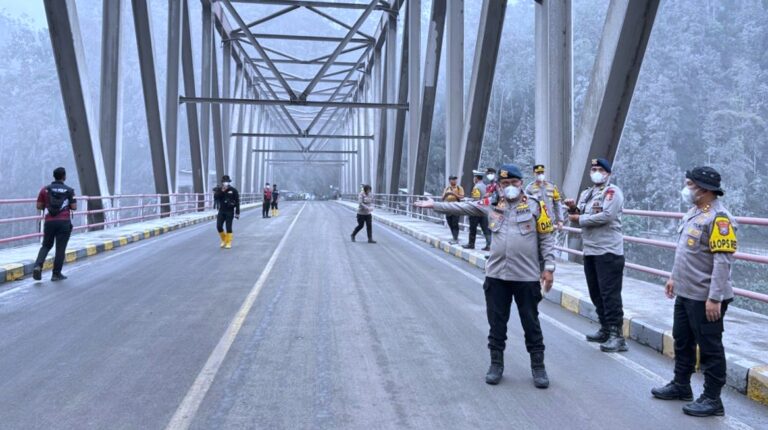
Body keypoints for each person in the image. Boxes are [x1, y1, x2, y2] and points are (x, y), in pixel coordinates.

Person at [415, 164, 556, 388]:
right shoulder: (491, 205)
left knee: (531, 322)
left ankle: (538, 367)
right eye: (505, 184)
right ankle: (496, 364)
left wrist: (549, 267)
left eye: (513, 183)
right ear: (499, 186)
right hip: (497, 276)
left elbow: (547, 237)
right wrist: (435, 205)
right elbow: (464, 207)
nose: (509, 187)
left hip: (527, 277)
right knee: (496, 323)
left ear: (521, 183)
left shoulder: (536, 206)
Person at [651, 167, 736, 418]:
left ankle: (712, 399)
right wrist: (673, 278)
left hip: (705, 297)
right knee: (682, 340)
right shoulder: (695, 212)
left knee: (710, 347)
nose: (686, 189)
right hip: (685, 292)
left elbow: (723, 262)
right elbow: (685, 252)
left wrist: (714, 298)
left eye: (690, 184)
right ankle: (681, 385)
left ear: (705, 189)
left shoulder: (719, 219)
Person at [564, 158, 627, 352]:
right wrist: (573, 208)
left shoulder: (612, 193)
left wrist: (579, 217)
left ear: (608, 173)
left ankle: (617, 336)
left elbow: (606, 216)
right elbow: (579, 214)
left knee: (610, 294)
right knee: (596, 292)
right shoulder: (587, 193)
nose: (596, 172)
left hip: (608, 250)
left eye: (600, 169)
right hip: (590, 250)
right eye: (593, 169)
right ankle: (605, 328)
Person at [32, 167, 77, 281]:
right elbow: (74, 207)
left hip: (49, 222)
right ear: (64, 177)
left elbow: (39, 206)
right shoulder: (69, 190)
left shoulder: (45, 190)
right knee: (60, 248)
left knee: (46, 245)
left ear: (54, 176)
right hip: (64, 222)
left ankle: (38, 266)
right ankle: (56, 274)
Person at [525, 164, 564, 230]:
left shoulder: (552, 186)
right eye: (538, 173)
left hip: (549, 221)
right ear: (534, 173)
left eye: (542, 172)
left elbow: (557, 204)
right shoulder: (529, 188)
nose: (540, 174)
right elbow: (525, 205)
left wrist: (560, 220)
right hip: (535, 221)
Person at [463, 169, 492, 251]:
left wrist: (469, 202)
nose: (474, 179)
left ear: (476, 178)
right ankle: (489, 245)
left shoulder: (476, 187)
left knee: (473, 228)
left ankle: (471, 244)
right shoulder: (485, 186)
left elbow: (476, 199)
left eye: (474, 177)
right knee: (486, 229)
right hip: (485, 211)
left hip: (476, 211)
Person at [214, 175, 240, 249]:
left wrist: (237, 212)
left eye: (227, 182)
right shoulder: (219, 190)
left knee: (228, 227)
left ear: (229, 182)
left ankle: (229, 242)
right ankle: (224, 239)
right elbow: (215, 197)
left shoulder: (233, 190)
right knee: (219, 226)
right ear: (222, 182)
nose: (225, 183)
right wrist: (222, 191)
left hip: (230, 211)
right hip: (221, 211)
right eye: (224, 182)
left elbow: (237, 202)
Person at [442, 175, 465, 244]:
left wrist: (454, 194)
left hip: (456, 207)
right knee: (449, 222)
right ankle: (454, 236)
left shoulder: (459, 188)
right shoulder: (446, 188)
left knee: (455, 223)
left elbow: (462, 197)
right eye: (453, 179)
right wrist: (447, 194)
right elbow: (442, 198)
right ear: (449, 180)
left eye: (455, 179)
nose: (454, 181)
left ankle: (455, 238)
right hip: (448, 208)